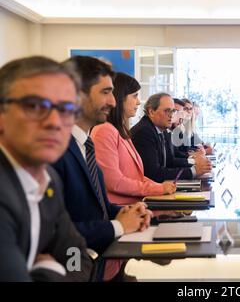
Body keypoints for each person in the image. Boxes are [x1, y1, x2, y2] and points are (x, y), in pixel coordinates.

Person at [52, 56, 152, 281]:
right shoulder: (54, 151)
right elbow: (58, 230)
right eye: (105, 92)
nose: (113, 102)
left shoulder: (85, 145)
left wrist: (127, 213)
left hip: (95, 262)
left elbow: (98, 205)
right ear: (76, 94)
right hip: (73, 265)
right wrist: (117, 226)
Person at [0, 56, 92, 281]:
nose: (54, 122)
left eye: (66, 109)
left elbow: (75, 254)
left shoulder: (48, 179)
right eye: (34, 106)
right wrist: (51, 271)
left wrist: (61, 270)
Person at [91, 72, 176, 205]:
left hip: (137, 205)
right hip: (122, 211)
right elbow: (115, 183)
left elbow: (137, 177)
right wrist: (158, 188)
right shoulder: (104, 131)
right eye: (135, 96)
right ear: (120, 98)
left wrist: (163, 187)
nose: (138, 102)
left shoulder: (121, 130)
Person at [131, 93, 212, 183]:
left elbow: (170, 161)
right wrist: (193, 171)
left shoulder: (162, 130)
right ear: (151, 112)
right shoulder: (144, 132)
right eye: (167, 111)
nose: (171, 115)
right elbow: (154, 174)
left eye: (173, 111)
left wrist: (195, 163)